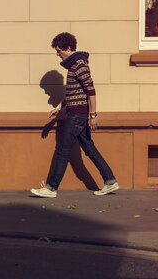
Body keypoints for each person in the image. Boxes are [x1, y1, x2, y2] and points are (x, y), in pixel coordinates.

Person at [31, 32, 119, 197]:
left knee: (63, 150)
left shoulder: (79, 64)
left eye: (59, 50)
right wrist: (58, 108)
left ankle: (51, 188)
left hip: (77, 116)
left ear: (68, 47)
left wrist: (93, 116)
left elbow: (91, 91)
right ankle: (110, 181)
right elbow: (73, 93)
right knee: (89, 149)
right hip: (77, 113)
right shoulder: (74, 65)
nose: (57, 54)